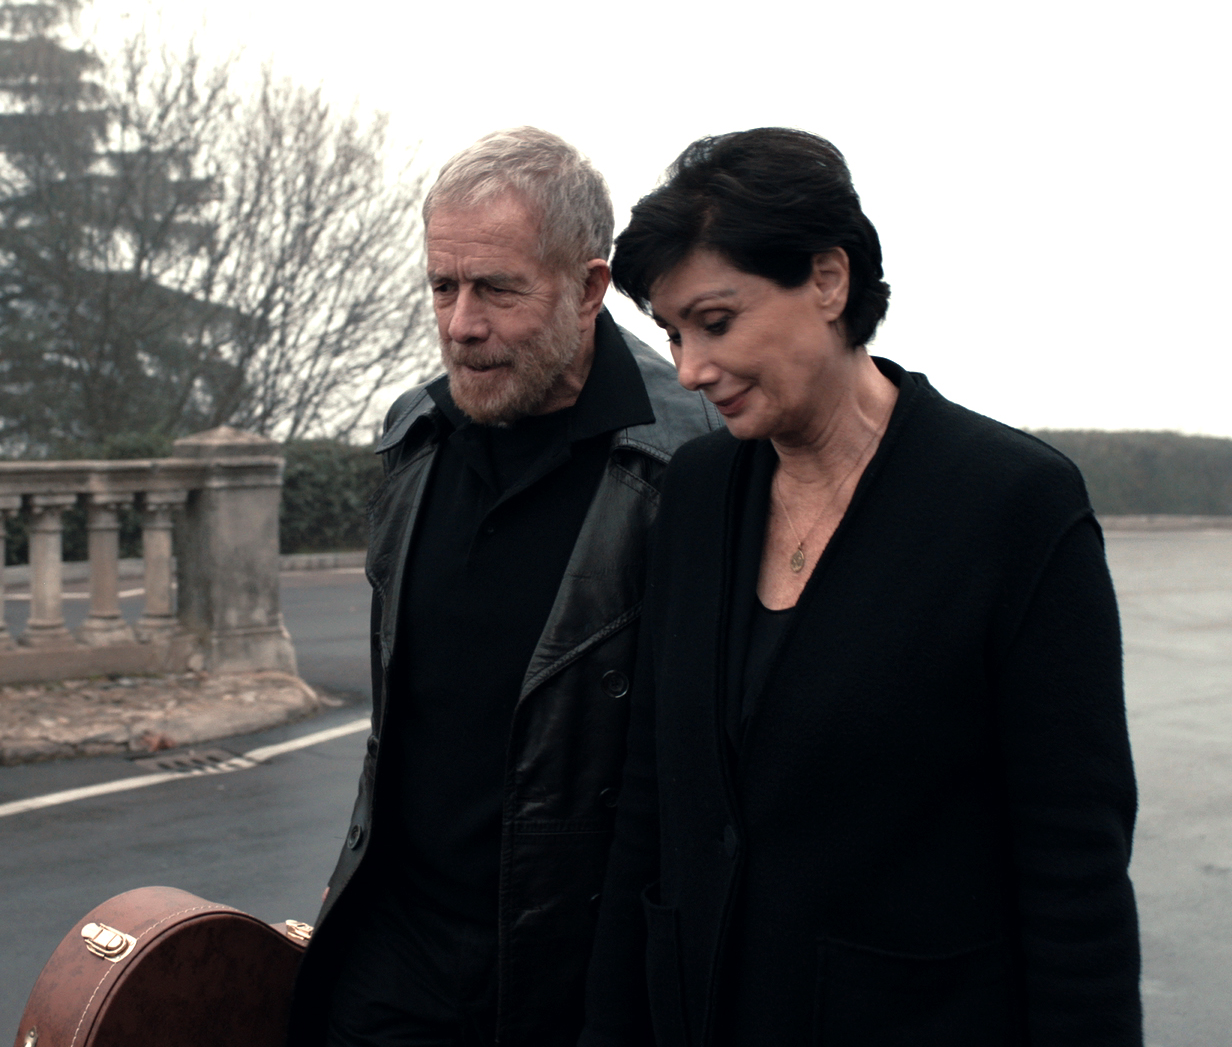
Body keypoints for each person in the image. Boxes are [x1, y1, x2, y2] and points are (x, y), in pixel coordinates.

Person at [579, 129, 1143, 1047]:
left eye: (715, 322)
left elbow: (1074, 865)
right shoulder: (696, 493)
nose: (688, 369)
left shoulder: (1011, 504)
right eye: (673, 334)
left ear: (828, 279)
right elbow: (651, 805)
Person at [286, 127, 719, 1047]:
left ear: (590, 288)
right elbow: (405, 722)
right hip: (390, 965)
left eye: (496, 289)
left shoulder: (690, 458)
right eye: (443, 287)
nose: (461, 324)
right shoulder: (414, 433)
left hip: (578, 984)